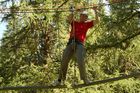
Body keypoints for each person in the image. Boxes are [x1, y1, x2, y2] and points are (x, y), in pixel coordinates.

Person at [52, 6, 99, 86]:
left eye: (84, 16)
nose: (82, 17)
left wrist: (95, 11)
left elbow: (97, 21)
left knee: (80, 60)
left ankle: (85, 79)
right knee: (64, 60)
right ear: (80, 16)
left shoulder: (87, 24)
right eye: (81, 15)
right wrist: (75, 11)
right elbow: (69, 18)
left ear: (86, 18)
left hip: (80, 44)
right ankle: (60, 80)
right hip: (71, 43)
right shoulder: (75, 23)